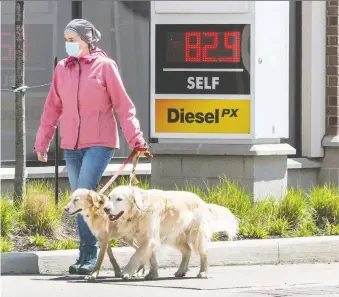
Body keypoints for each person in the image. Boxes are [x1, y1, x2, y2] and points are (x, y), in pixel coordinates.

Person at [34, 19, 147, 275]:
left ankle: (90, 255)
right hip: (71, 145)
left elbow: (123, 105)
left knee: (84, 196)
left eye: (72, 39)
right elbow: (53, 107)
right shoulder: (62, 68)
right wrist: (42, 141)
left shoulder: (105, 67)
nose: (68, 44)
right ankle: (86, 252)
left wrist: (136, 140)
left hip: (100, 142)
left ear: (87, 40)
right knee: (79, 199)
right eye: (66, 39)